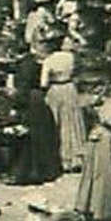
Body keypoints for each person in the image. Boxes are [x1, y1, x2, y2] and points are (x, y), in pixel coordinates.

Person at [9, 41, 63, 186]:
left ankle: (28, 172)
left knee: (29, 138)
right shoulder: (33, 62)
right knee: (43, 137)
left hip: (30, 102)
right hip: (38, 100)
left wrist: (15, 106)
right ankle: (47, 170)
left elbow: (23, 89)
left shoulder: (23, 66)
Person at [76, 84, 111, 221]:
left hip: (95, 137)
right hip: (107, 139)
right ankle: (102, 211)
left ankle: (86, 207)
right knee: (105, 175)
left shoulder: (103, 104)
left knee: (91, 173)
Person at [43, 37, 87, 172]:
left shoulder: (48, 60)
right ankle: (75, 158)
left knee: (56, 122)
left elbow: (43, 82)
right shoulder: (71, 57)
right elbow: (78, 74)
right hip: (69, 88)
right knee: (72, 121)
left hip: (55, 89)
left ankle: (60, 159)